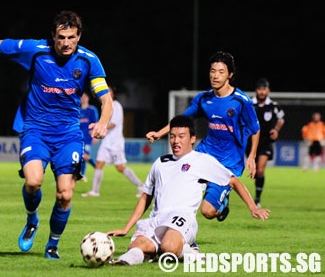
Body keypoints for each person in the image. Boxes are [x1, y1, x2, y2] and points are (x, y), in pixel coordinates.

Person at [0, 10, 113, 260]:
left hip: (69, 135)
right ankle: (32, 220)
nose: (66, 43)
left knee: (65, 193)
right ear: (53, 36)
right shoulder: (36, 50)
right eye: (61, 37)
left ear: (79, 36)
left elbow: (106, 100)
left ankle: (52, 244)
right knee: (33, 182)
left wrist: (103, 123)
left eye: (71, 37)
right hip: (35, 130)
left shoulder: (88, 61)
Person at [108, 115, 270, 266]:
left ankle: (189, 250)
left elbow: (233, 181)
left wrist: (253, 207)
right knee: (136, 247)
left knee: (169, 247)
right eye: (172, 136)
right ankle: (120, 262)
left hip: (182, 217)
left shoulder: (201, 160)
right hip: (157, 219)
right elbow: (145, 197)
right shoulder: (160, 163)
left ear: (192, 138)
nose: (175, 141)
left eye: (181, 136)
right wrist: (126, 228)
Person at [146, 51, 260, 222]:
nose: (215, 76)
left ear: (230, 75)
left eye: (221, 72)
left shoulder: (241, 101)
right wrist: (159, 133)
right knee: (179, 188)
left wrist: (251, 156)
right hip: (205, 152)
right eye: (213, 71)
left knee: (207, 212)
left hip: (229, 161)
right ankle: (179, 230)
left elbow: (255, 129)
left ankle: (221, 203)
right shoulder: (203, 99)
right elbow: (182, 120)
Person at [82, 85, 144, 197]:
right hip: (106, 142)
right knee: (99, 164)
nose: (107, 92)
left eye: (109, 91)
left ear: (113, 94)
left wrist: (100, 127)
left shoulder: (116, 106)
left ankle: (141, 186)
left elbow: (114, 123)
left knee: (120, 167)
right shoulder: (104, 106)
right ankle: (94, 191)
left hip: (116, 142)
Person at [246, 78, 285, 208]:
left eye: (264, 89)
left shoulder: (273, 106)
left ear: (268, 90)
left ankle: (257, 199)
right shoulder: (249, 104)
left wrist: (276, 129)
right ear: (256, 90)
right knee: (253, 171)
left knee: (261, 169)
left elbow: (281, 119)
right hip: (251, 141)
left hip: (265, 141)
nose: (262, 92)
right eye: (260, 89)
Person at [79, 91, 99, 182]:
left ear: (88, 98)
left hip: (88, 137)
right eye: (81, 97)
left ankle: (96, 168)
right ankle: (96, 169)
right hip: (79, 137)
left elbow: (95, 122)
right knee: (82, 156)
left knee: (85, 156)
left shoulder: (92, 110)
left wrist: (95, 136)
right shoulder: (78, 111)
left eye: (84, 96)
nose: (83, 98)